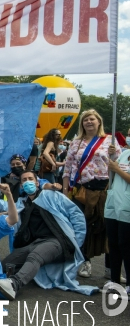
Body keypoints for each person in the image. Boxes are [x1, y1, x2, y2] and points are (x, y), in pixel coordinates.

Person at [0, 170, 98, 296]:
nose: (28, 182)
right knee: (6, 264)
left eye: (30, 179)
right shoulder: (22, 204)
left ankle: (14, 284)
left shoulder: (52, 196)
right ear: (21, 185)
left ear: (37, 183)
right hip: (34, 244)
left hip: (57, 241)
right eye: (24, 180)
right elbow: (3, 205)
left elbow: (76, 215)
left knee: (35, 256)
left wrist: (77, 241)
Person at [62, 109, 121, 279]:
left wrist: (113, 153)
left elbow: (118, 163)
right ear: (82, 124)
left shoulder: (110, 141)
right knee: (83, 227)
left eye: (92, 119)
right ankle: (84, 262)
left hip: (105, 189)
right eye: (85, 119)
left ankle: (111, 269)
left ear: (99, 122)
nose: (89, 122)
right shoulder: (76, 143)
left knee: (109, 229)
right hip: (83, 190)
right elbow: (68, 168)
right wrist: (65, 192)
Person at [104, 146, 130, 293]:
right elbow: (111, 175)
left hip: (127, 205)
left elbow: (119, 172)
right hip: (114, 203)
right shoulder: (125, 153)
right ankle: (114, 281)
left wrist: (117, 169)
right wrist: (112, 160)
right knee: (113, 244)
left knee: (125, 245)